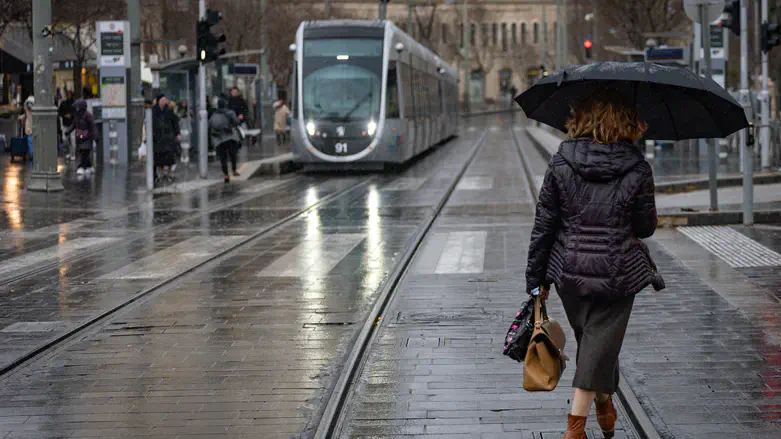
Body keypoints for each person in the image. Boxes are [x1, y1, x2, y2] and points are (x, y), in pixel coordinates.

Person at [524, 90, 665, 439]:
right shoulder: (638, 168)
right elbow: (645, 227)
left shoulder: (560, 162)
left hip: (570, 275)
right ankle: (575, 427)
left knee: (595, 345)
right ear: (628, 121)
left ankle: (603, 402)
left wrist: (536, 277)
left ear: (580, 118)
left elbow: (545, 224)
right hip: (617, 276)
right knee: (597, 347)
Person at [209, 97, 241, 183]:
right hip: (230, 137)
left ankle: (226, 175)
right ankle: (234, 170)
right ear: (225, 105)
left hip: (219, 140)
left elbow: (210, 126)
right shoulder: (230, 112)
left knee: (223, 158)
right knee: (233, 155)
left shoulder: (213, 115)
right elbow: (236, 122)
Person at [152, 94, 181, 184]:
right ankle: (160, 173)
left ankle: (169, 172)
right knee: (159, 156)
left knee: (169, 156)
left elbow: (175, 122)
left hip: (168, 137)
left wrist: (177, 133)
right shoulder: (154, 111)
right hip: (158, 138)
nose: (164, 101)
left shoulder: (168, 110)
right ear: (158, 100)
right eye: (162, 100)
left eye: (165, 100)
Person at [67, 100, 98, 177]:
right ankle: (89, 166)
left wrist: (95, 136)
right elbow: (73, 125)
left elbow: (93, 126)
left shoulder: (88, 116)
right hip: (79, 138)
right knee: (82, 153)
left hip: (87, 137)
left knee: (84, 153)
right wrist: (68, 131)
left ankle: (82, 167)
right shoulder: (77, 116)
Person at [58, 90, 76, 160]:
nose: (68, 95)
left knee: (72, 139)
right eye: (67, 94)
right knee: (66, 139)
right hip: (65, 124)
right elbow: (60, 112)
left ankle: (73, 154)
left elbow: (76, 112)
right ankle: (70, 152)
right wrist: (65, 115)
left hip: (72, 124)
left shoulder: (74, 103)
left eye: (69, 94)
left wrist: (71, 115)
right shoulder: (63, 103)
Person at [18, 96, 34, 160]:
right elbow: (25, 115)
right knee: (30, 141)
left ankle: (32, 154)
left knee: (31, 141)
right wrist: (20, 117)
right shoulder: (27, 111)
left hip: (32, 128)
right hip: (29, 129)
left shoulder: (32, 111)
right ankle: (31, 154)